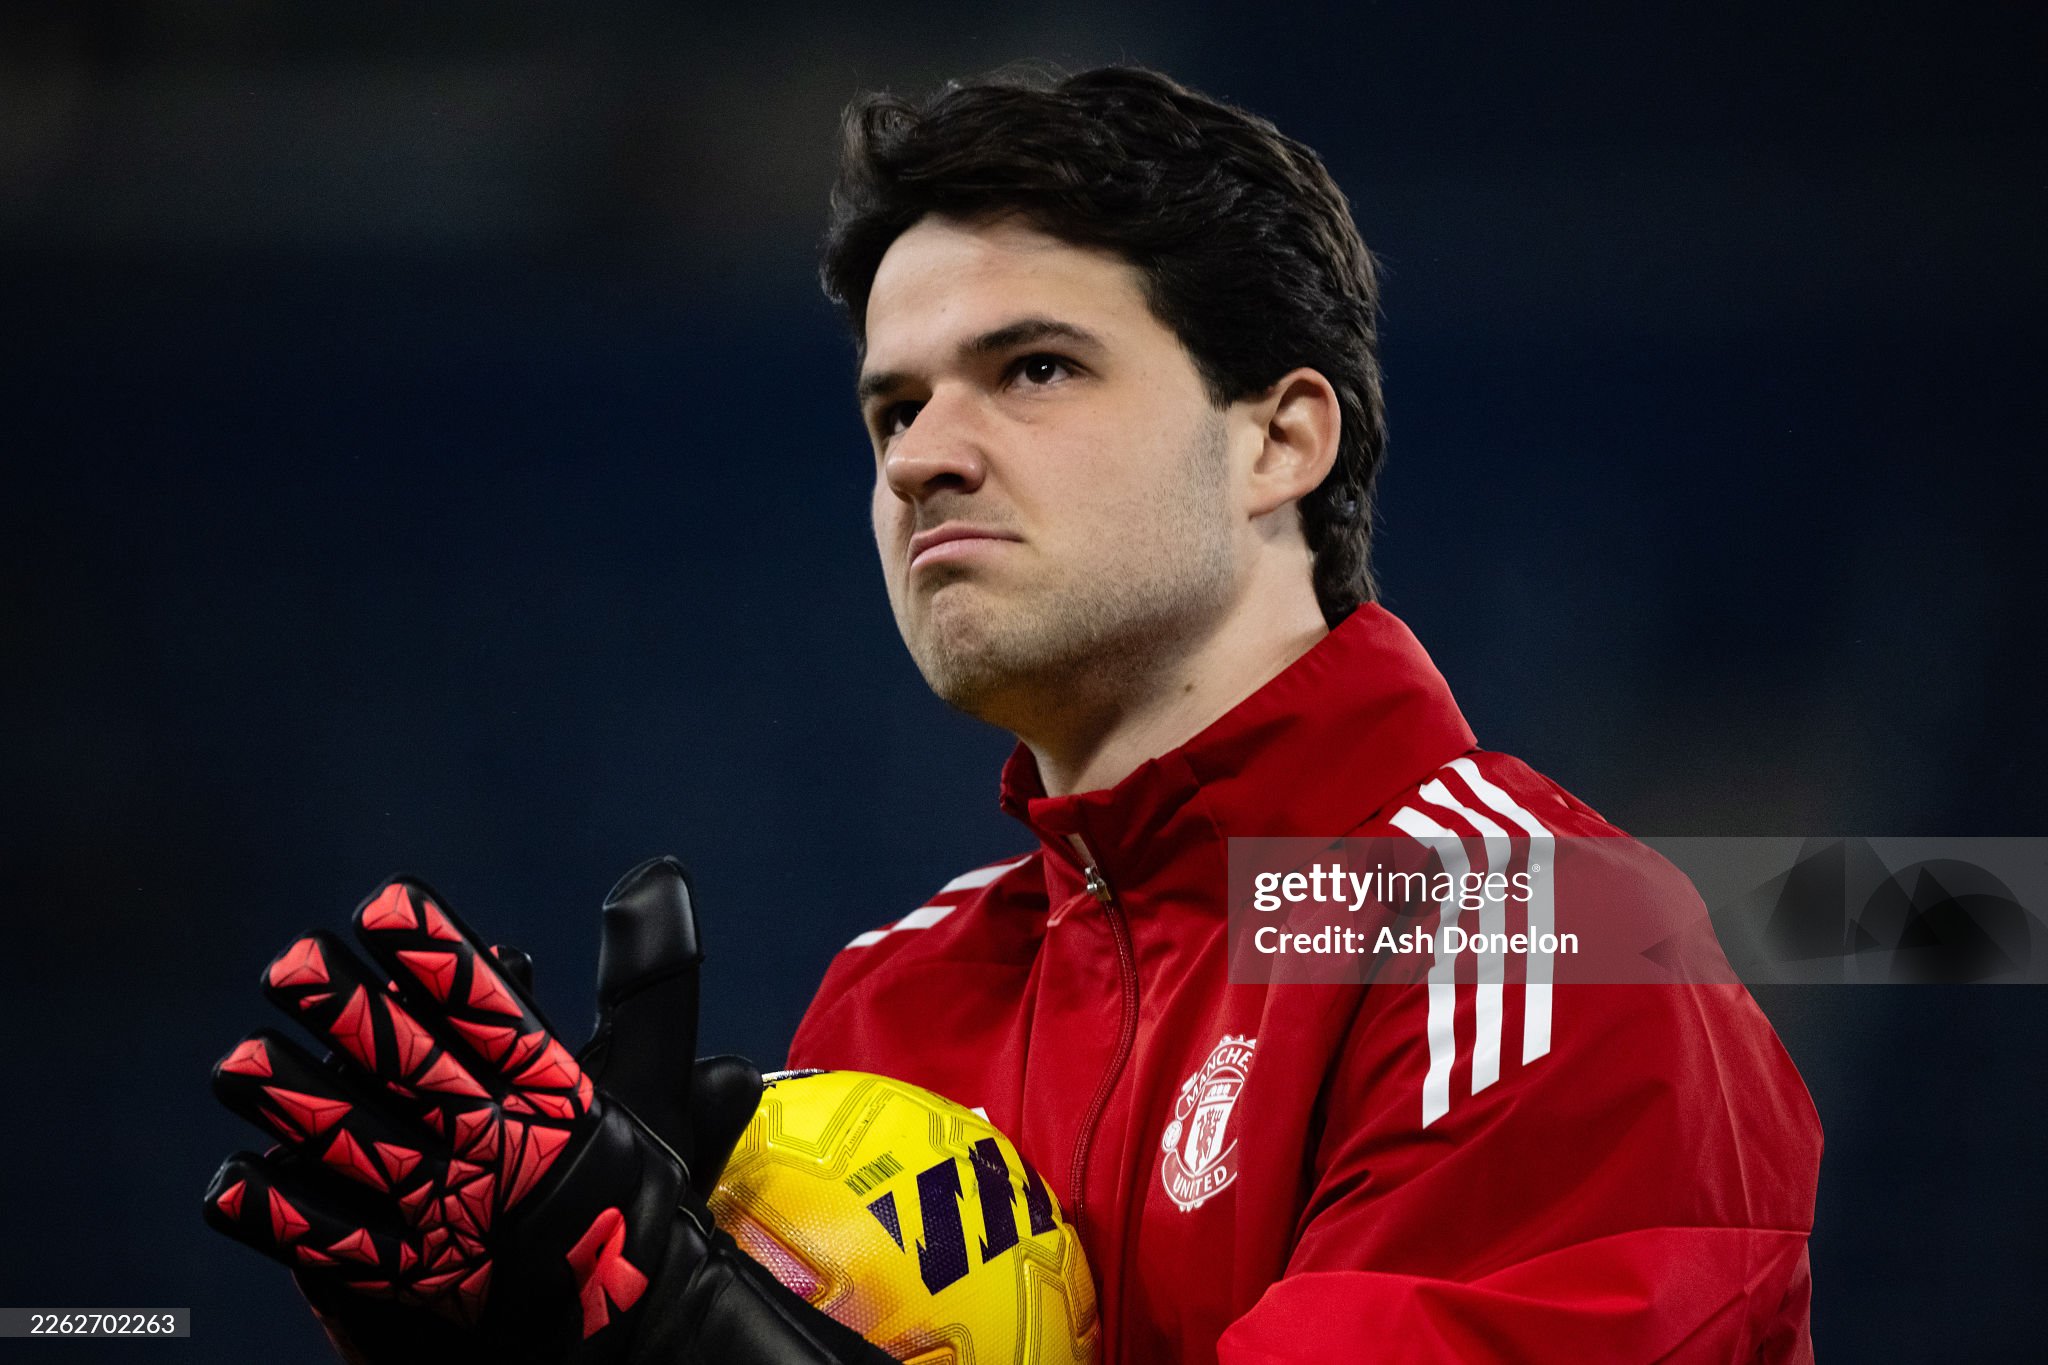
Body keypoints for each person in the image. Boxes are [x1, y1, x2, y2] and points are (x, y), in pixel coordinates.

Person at [205, 64, 1821, 1364]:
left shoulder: (1532, 939)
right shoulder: (894, 1001)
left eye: (1034, 368)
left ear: (1280, 442)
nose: (921, 455)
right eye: (894, 406)